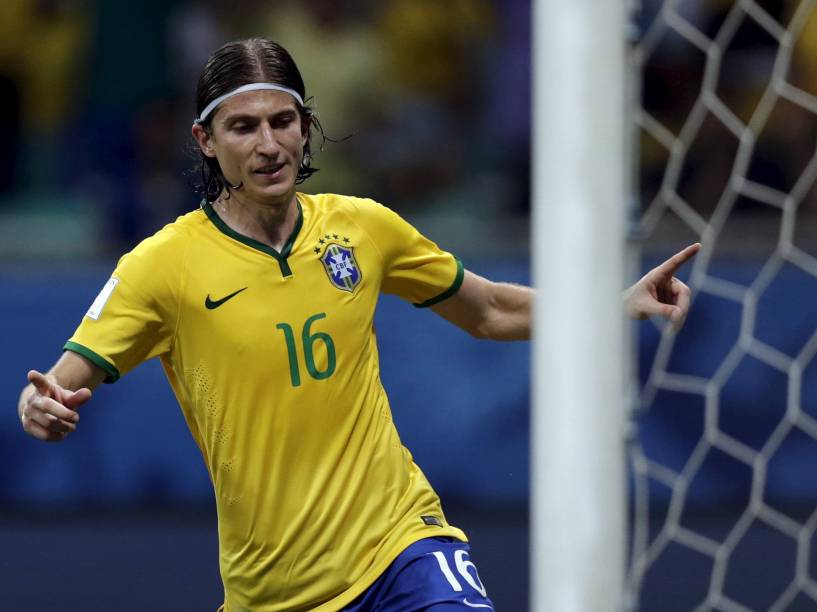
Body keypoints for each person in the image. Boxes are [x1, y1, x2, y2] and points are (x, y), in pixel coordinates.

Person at [17, 38, 699, 611]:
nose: (268, 144)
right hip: (274, 587)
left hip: (401, 543)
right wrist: (38, 406)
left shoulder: (362, 228)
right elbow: (56, 382)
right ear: (205, 140)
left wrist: (614, 303)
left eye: (283, 121)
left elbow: (487, 310)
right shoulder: (161, 266)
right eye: (243, 127)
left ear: (305, 126)